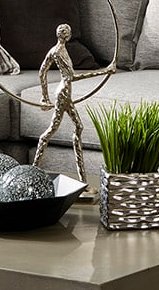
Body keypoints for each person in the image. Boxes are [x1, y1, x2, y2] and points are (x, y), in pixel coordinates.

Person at [31, 24, 115, 188]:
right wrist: (104, 71)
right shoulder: (58, 52)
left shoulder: (57, 50)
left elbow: (42, 71)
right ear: (66, 36)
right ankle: (33, 171)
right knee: (50, 132)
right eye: (68, 33)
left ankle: (82, 180)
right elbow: (71, 77)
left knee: (78, 127)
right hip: (63, 94)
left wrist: (45, 95)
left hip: (64, 93)